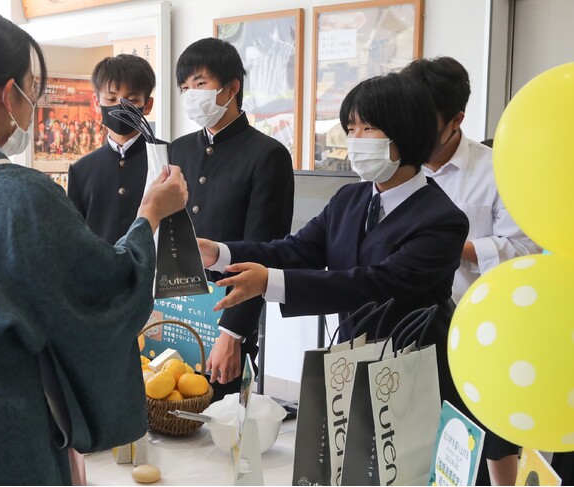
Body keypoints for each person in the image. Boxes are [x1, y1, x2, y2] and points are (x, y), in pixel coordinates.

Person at [0, 7, 187, 485]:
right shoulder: (19, 195)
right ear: (9, 94)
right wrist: (150, 213)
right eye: (30, 86)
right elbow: (107, 290)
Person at [197, 72, 469, 412]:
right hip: (352, 368)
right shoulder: (349, 199)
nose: (356, 139)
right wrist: (220, 253)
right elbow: (297, 250)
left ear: (407, 131)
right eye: (351, 129)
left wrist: (270, 282)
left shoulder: (442, 219)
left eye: (368, 129)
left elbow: (377, 284)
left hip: (413, 376)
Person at [402, 56, 541, 486]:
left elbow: (523, 249)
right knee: (411, 448)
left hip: (479, 331)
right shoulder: (396, 168)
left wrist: (446, 249)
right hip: (408, 332)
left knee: (478, 447)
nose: (409, 131)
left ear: (456, 119)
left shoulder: (497, 169)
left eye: (422, 120)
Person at [170, 37, 294, 399]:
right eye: (185, 87)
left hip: (227, 313)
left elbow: (264, 249)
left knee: (217, 425)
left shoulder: (267, 155)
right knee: (166, 410)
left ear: (232, 87)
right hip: (176, 307)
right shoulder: (178, 149)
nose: (191, 93)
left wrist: (233, 333)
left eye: (200, 84)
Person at [68, 54, 159, 245]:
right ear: (96, 102)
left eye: (131, 101)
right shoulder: (81, 170)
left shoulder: (168, 156)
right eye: (110, 99)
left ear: (148, 105)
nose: (119, 107)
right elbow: (75, 237)